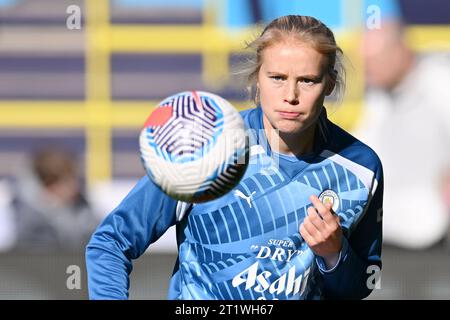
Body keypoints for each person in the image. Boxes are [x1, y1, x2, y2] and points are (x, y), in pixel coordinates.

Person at [86, 15, 383, 300]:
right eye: (277, 77)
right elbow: (111, 242)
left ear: (329, 83)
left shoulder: (360, 167)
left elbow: (363, 282)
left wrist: (334, 254)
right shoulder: (206, 146)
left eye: (307, 80)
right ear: (257, 78)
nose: (290, 95)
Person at [354, 18, 450, 250]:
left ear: (400, 53)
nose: (367, 71)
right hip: (387, 225)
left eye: (374, 62)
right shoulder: (379, 93)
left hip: (430, 228)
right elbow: (365, 146)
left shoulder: (440, 83)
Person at [11, 147, 99, 252]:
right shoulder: (28, 219)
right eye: (67, 182)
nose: (75, 187)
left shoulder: (82, 207)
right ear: (49, 186)